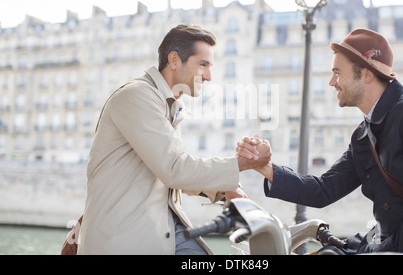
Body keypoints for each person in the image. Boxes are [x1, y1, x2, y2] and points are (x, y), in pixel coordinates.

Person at [237, 29, 403, 255]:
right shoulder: (363, 134)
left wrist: (388, 249)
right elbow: (324, 190)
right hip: (385, 243)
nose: (331, 82)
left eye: (337, 73)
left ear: (366, 74)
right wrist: (264, 167)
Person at [78, 24, 268, 255]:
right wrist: (244, 163)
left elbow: (174, 170)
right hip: (125, 237)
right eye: (203, 65)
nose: (209, 76)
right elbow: (175, 169)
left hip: (157, 227)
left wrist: (225, 189)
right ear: (174, 60)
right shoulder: (138, 96)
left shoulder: (166, 104)